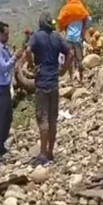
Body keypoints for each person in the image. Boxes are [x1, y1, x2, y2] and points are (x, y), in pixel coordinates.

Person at [25, 12, 71, 165]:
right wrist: (64, 69)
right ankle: (50, 152)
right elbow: (69, 52)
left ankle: (43, 154)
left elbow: (27, 51)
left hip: (42, 84)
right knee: (53, 120)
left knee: (42, 119)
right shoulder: (57, 37)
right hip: (54, 84)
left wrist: (32, 66)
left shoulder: (37, 37)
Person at [0, 21, 20, 163]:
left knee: (7, 117)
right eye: (5, 34)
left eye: (8, 33)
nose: (7, 36)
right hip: (0, 88)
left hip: (5, 87)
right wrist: (15, 58)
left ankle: (1, 146)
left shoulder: (4, 49)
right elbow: (3, 68)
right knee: (0, 120)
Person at [57, 0, 91, 84]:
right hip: (78, 39)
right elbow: (88, 18)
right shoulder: (81, 8)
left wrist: (63, 27)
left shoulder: (67, 8)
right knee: (79, 59)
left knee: (69, 58)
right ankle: (81, 78)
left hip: (68, 38)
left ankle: (72, 77)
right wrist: (84, 28)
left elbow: (60, 19)